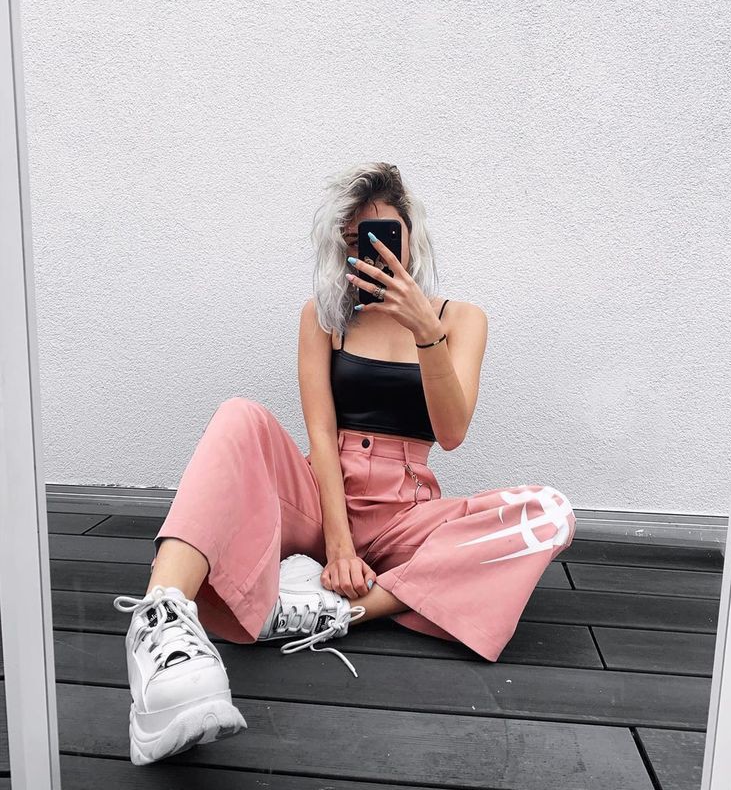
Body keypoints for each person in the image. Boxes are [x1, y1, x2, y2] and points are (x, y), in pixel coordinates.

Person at [112, 162, 577, 766]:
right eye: (358, 241)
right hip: (322, 496)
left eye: (386, 236)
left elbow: (452, 433)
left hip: (406, 513)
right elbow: (321, 432)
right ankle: (163, 619)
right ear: (343, 248)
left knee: (549, 513)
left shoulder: (461, 320)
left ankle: (336, 610)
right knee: (240, 415)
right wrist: (337, 547)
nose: (373, 253)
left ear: (411, 236)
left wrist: (425, 329)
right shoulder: (325, 317)